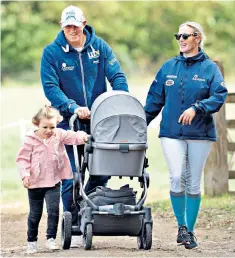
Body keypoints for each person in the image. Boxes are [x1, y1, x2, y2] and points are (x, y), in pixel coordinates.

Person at [40, 4, 128, 246]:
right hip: (68, 122)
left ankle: (86, 207)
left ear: (84, 23)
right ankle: (75, 226)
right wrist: (71, 106)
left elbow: (116, 76)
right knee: (71, 177)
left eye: (76, 26)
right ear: (62, 26)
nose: (72, 30)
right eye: (67, 26)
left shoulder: (99, 47)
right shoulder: (51, 53)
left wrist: (121, 99)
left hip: (100, 122)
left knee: (102, 172)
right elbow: (50, 87)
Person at [144, 21, 227, 249]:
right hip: (171, 132)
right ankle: (181, 226)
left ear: (197, 38)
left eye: (185, 35)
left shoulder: (210, 68)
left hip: (200, 133)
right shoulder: (168, 67)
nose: (180, 39)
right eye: (178, 35)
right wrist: (139, 123)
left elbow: (219, 95)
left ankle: (189, 231)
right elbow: (154, 100)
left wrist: (197, 108)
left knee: (193, 182)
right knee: (177, 176)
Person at [16, 106, 88, 254]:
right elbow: (22, 159)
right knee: (35, 213)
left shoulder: (58, 135)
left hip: (53, 182)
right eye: (45, 127)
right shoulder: (30, 140)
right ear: (36, 124)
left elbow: (72, 136)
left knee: (54, 211)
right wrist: (25, 175)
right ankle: (32, 241)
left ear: (57, 124)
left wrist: (84, 136)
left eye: (52, 127)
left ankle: (51, 239)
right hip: (35, 183)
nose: (49, 131)